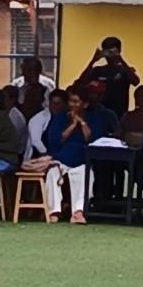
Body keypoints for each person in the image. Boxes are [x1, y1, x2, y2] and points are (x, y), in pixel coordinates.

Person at [44, 89, 94, 224]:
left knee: (86, 175)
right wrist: (72, 125)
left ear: (85, 104)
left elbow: (90, 139)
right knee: (52, 173)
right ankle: (54, 211)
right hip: (61, 158)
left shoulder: (91, 118)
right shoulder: (60, 117)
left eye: (76, 102)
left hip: (81, 160)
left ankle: (78, 212)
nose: (72, 105)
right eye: (70, 101)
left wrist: (81, 122)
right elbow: (56, 141)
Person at [80, 36, 139, 120]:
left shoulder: (124, 70)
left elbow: (136, 82)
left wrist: (120, 59)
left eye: (112, 51)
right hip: (98, 114)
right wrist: (93, 60)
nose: (109, 55)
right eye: (107, 51)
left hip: (120, 114)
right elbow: (81, 82)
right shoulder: (98, 70)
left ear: (119, 51)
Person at [26, 88, 67, 162]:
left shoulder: (66, 118)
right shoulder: (39, 118)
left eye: (58, 104)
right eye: (52, 103)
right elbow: (36, 141)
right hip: (38, 158)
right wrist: (46, 155)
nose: (54, 106)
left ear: (65, 105)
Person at [0, 85, 28, 150]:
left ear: (12, 100)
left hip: (15, 151)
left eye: (4, 97)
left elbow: (10, 139)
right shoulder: (1, 112)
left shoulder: (17, 117)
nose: (1, 100)